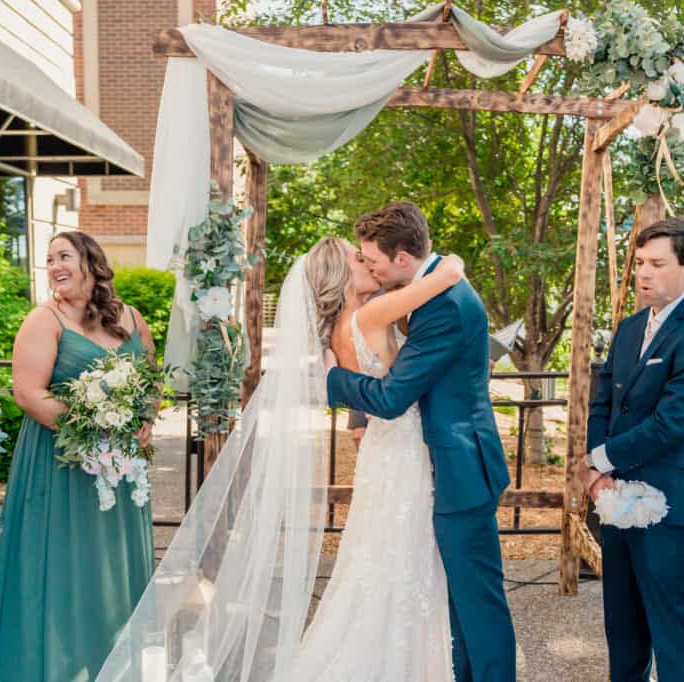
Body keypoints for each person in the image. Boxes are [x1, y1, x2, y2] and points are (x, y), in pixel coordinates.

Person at [98, 230, 467, 682]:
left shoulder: (338, 329)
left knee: (382, 562)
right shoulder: (371, 313)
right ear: (340, 274)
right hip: (402, 456)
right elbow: (445, 276)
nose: (371, 264)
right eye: (360, 260)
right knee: (401, 561)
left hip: (387, 454)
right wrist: (451, 267)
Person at [326, 202, 515, 682]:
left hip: (461, 469)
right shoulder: (427, 291)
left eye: (375, 260)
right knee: (452, 600)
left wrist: (327, 380)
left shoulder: (443, 307)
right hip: (435, 464)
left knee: (476, 602)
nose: (371, 267)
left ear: (404, 258)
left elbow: (391, 399)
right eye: (363, 261)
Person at [0, 231, 157, 682]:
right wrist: (92, 431)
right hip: (62, 465)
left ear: (91, 262)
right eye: (49, 258)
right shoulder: (44, 320)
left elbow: (150, 383)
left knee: (113, 568)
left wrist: (142, 421)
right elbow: (28, 394)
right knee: (65, 570)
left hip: (120, 469)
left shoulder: (130, 316)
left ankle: (112, 665)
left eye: (63, 256)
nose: (54, 265)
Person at [579, 218, 684, 682]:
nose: (644, 274)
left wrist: (600, 460)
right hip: (613, 496)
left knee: (671, 626)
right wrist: (594, 472)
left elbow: (675, 420)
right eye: (640, 263)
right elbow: (602, 401)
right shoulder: (628, 328)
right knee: (621, 625)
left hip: (669, 504)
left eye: (658, 264)